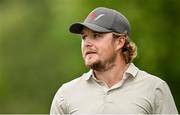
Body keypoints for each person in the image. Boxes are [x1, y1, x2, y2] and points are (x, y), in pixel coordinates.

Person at [50, 7, 178, 114]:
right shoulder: (65, 95)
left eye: (96, 36)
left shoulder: (154, 89)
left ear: (119, 41)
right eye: (84, 37)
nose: (87, 43)